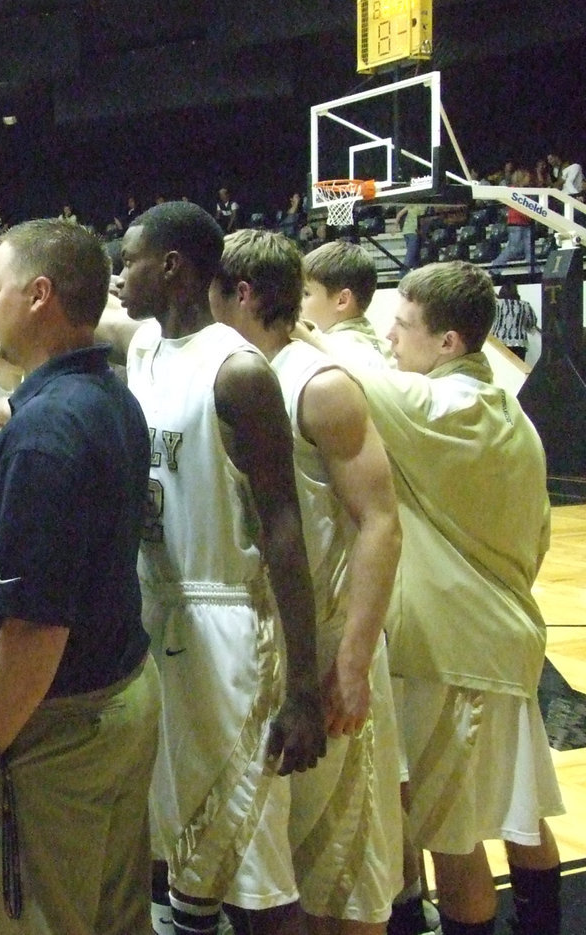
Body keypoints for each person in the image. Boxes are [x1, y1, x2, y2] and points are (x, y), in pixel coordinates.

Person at [104, 200, 325, 935]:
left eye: (128, 258)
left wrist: (304, 689)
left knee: (253, 867)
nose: (118, 272)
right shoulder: (143, 349)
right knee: (180, 856)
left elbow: (286, 530)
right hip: (157, 619)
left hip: (230, 628)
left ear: (171, 266)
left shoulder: (239, 373)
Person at [0, 218, 160, 935]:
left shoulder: (46, 433)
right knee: (114, 915)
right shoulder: (109, 396)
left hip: (52, 726)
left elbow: (37, 624)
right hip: (118, 695)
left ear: (39, 296)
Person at [361, 262, 565, 935]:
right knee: (520, 807)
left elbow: (335, 367)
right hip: (506, 639)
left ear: (447, 341)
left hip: (454, 653)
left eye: (403, 325)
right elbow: (539, 532)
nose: (390, 338)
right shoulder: (515, 413)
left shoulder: (437, 409)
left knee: (452, 833)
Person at [211, 229, 404, 935]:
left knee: (347, 871)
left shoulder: (319, 385)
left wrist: (351, 660)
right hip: (270, 656)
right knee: (283, 871)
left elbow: (381, 522)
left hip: (329, 650)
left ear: (242, 294)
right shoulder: (237, 374)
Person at [301, 241, 393, 368]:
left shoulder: (335, 349)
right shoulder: (384, 348)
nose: (296, 301)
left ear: (342, 300)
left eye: (306, 293)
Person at [491, 168, 535, 270]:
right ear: (522, 178)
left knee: (529, 248)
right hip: (516, 223)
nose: (530, 178)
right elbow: (519, 209)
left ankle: (532, 270)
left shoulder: (526, 191)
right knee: (513, 248)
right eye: (528, 177)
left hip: (525, 222)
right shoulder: (513, 190)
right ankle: (495, 268)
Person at [491, 281, 539, 361]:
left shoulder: (495, 305)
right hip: (519, 343)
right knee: (518, 369)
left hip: (498, 342)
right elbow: (532, 322)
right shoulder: (525, 305)